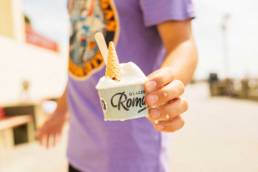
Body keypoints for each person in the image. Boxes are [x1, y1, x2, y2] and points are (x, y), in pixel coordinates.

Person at [37, 0, 198, 171]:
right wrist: (60, 111)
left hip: (131, 158)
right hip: (78, 154)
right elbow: (82, 64)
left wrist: (162, 89)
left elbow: (182, 43)